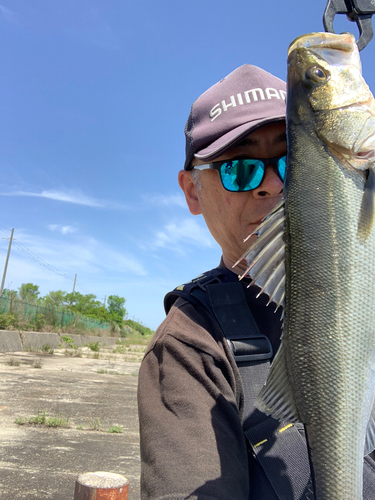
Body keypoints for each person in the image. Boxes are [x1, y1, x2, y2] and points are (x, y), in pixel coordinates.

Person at [137, 64, 289, 500]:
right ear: (192, 192)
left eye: (291, 159)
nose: (274, 184)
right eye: (240, 170)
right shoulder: (190, 346)